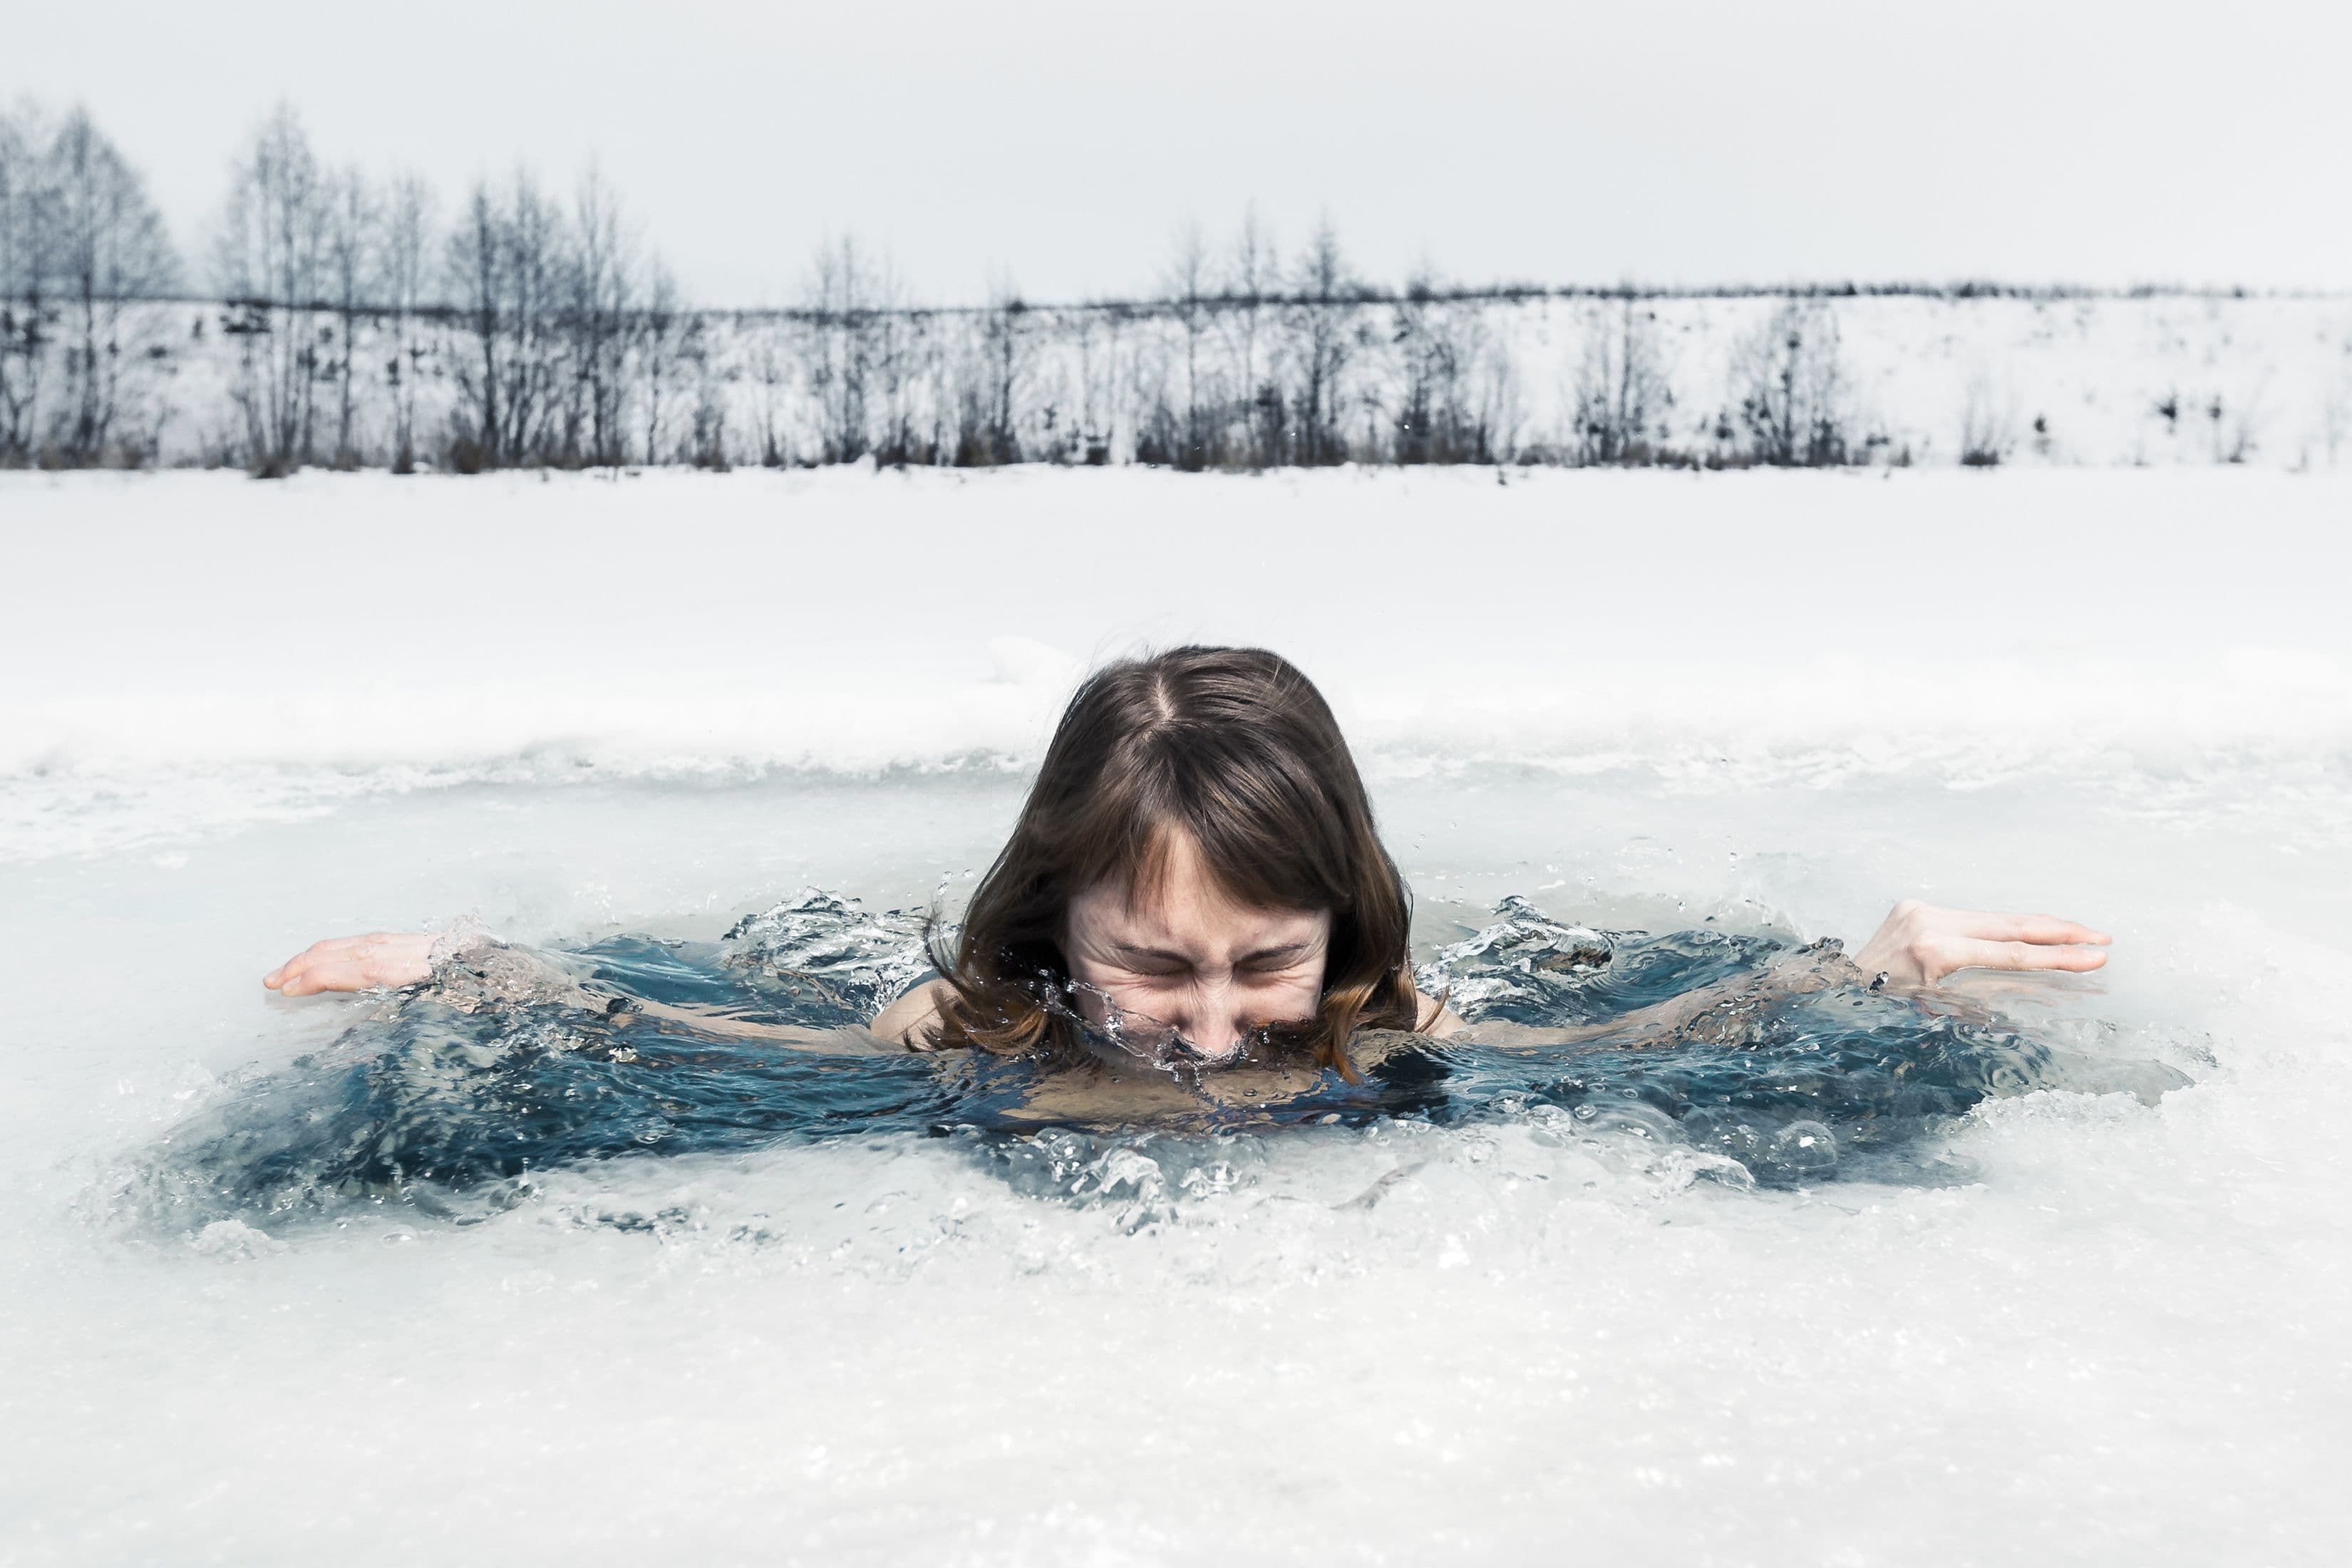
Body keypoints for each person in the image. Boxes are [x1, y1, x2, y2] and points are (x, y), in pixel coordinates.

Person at [264, 646, 2110, 1080]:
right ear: (1058, 918)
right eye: (1154, 965)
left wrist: (1859, 971)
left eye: (1258, 964)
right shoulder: (982, 1019)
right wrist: (489, 979)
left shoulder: (1383, 1018)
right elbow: (746, 1055)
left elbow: (1613, 1056)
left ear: (1340, 928)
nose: (1214, 1035)